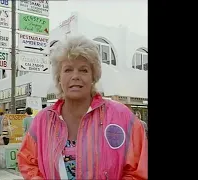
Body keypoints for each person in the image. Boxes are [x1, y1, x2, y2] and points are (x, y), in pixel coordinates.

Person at [17, 36, 148, 180]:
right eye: (68, 70)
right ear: (59, 77)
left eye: (83, 70)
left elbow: (138, 169)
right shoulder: (42, 120)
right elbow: (28, 162)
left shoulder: (122, 117)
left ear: (94, 76)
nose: (75, 76)